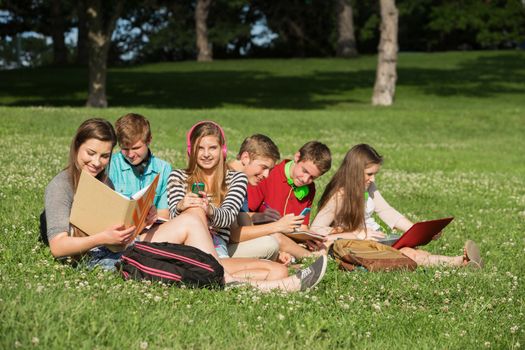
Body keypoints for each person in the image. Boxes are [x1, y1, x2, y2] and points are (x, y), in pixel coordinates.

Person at [42, 118, 328, 292]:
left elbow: (116, 227)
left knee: (276, 269)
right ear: (76, 146)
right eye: (91, 153)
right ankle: (238, 281)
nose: (97, 162)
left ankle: (249, 280)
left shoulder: (102, 181)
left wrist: (144, 218)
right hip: (101, 258)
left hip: (123, 245)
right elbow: (58, 247)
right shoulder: (61, 185)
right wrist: (104, 237)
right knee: (193, 218)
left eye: (104, 156)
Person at [163, 120, 328, 290]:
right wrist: (181, 206)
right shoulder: (177, 176)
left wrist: (209, 209)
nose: (206, 154)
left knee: (279, 271)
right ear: (191, 151)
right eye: (200, 148)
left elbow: (227, 219)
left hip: (218, 250)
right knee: (194, 212)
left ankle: (226, 279)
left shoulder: (236, 179)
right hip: (187, 250)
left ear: (222, 150)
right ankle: (240, 281)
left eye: (212, 148)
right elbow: (176, 223)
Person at [311, 144, 483, 268]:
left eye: (375, 174)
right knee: (408, 254)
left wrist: (419, 230)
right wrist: (357, 234)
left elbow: (387, 212)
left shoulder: (368, 187)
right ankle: (459, 262)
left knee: (409, 250)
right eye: (369, 174)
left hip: (375, 241)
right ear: (354, 171)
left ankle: (461, 262)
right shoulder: (339, 195)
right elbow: (316, 230)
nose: (373, 179)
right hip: (353, 245)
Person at [247, 141, 332, 259]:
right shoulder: (268, 174)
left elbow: (302, 226)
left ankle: (302, 254)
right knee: (276, 237)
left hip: (290, 238)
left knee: (325, 242)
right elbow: (245, 215)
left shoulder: (310, 188)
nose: (305, 179)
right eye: (305, 171)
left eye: (313, 177)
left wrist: (309, 238)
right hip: (264, 233)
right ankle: (311, 258)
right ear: (297, 157)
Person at [109, 113, 171, 220]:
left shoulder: (164, 168)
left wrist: (154, 216)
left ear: (149, 141)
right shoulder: (110, 166)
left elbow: (164, 214)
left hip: (150, 231)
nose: (131, 154)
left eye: (136, 148)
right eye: (125, 149)